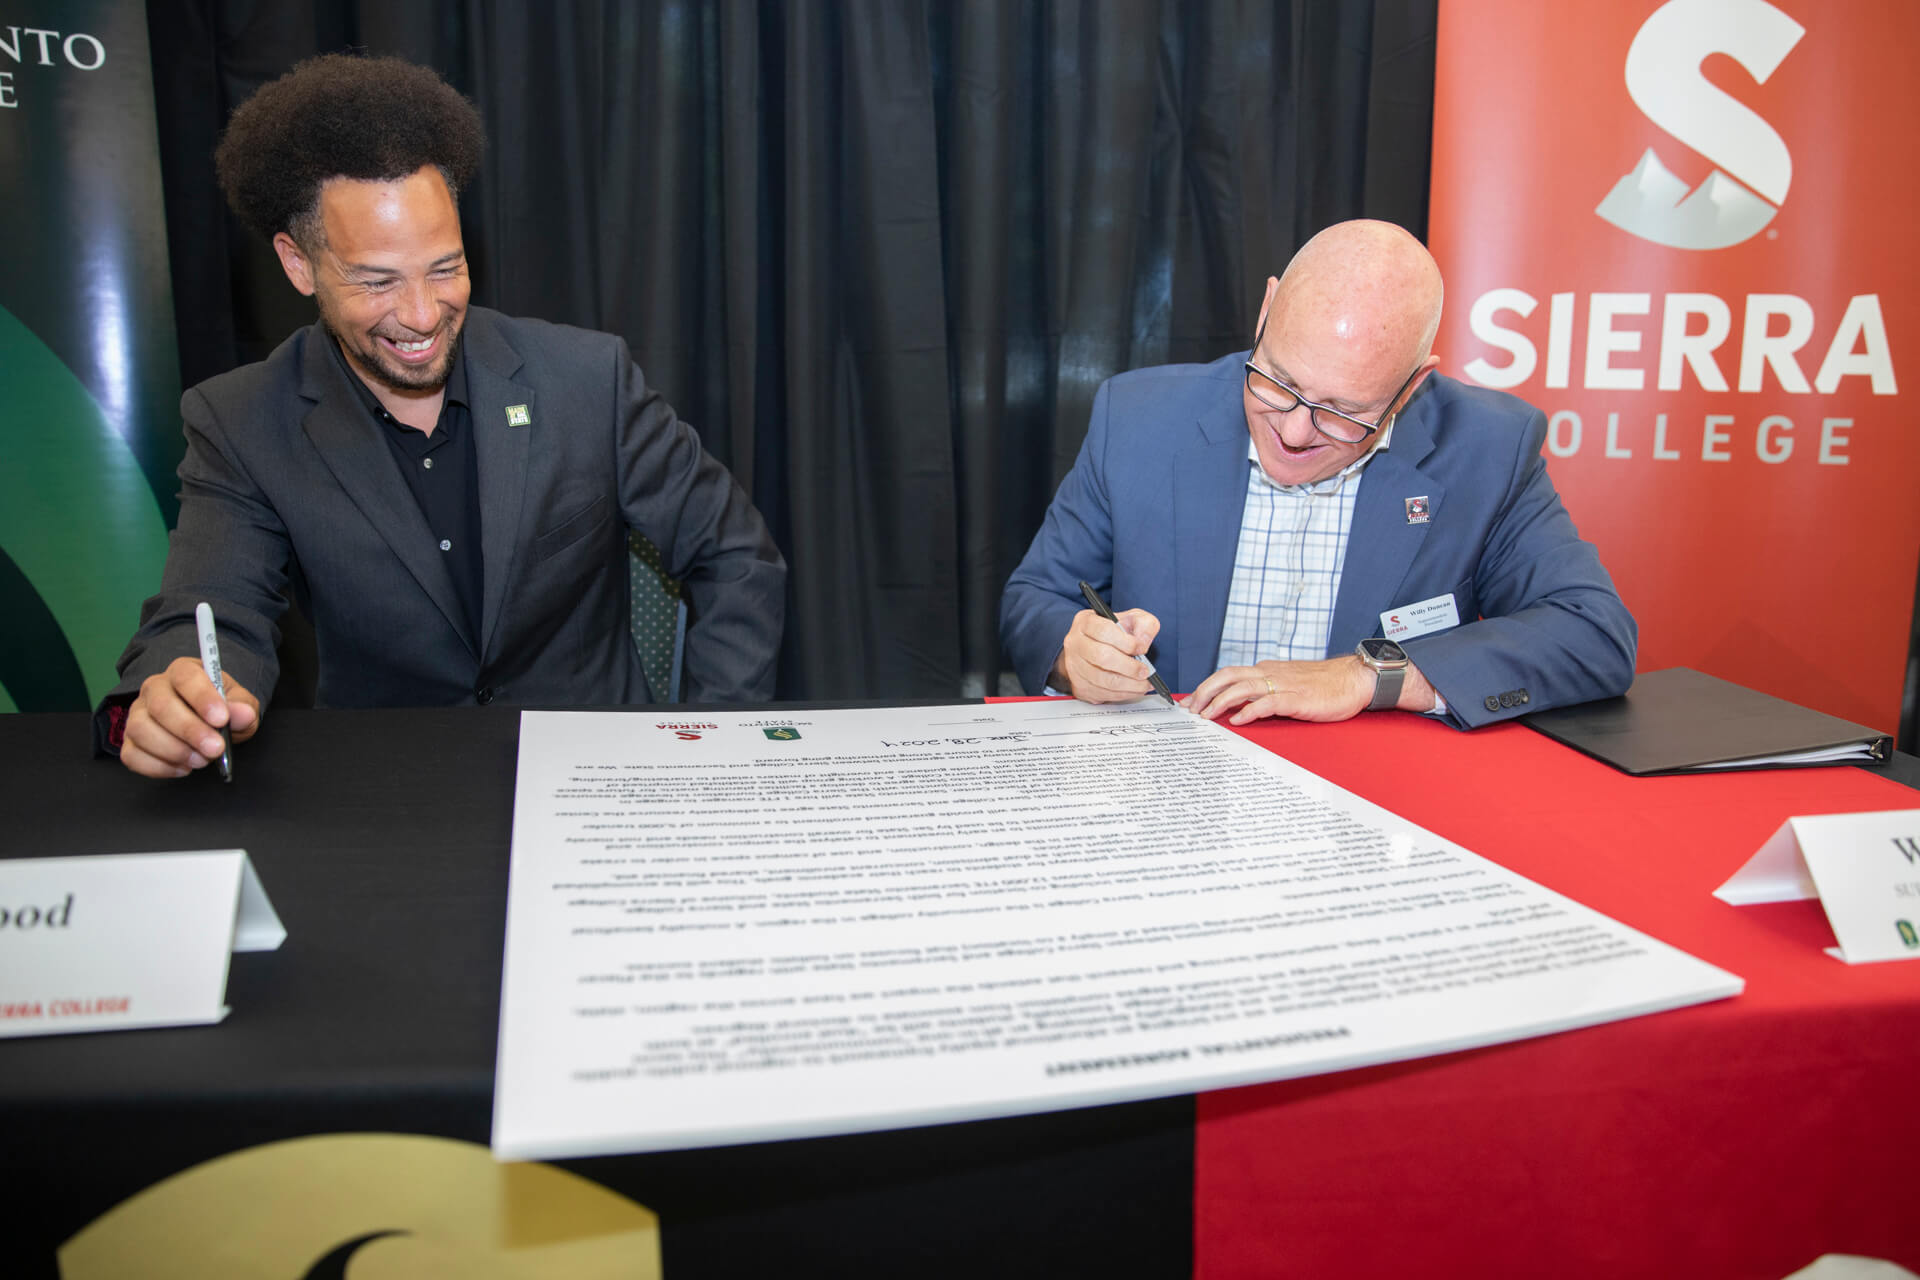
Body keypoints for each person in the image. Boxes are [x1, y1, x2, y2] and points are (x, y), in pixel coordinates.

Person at [103, 55, 785, 777]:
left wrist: (715, 745)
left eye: (444, 267)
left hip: (597, 779)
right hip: (389, 795)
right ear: (299, 266)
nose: (423, 315)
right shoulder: (242, 422)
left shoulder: (588, 379)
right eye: (377, 281)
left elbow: (735, 557)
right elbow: (209, 613)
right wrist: (174, 698)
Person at [1000, 219, 1634, 728]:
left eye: (1344, 413)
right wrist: (1072, 654)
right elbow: (1036, 599)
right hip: (1166, 793)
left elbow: (1594, 634)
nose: (1295, 431)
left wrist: (1373, 674)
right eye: (1279, 382)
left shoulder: (1487, 448)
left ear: (1411, 387)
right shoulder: (1140, 418)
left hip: (1374, 808)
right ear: (1266, 311)